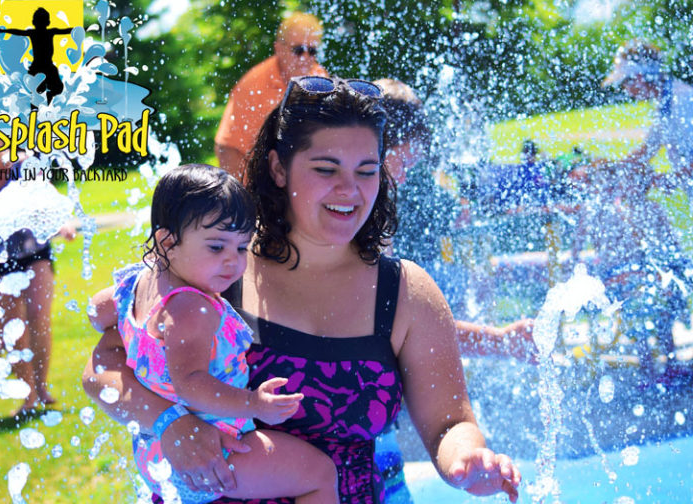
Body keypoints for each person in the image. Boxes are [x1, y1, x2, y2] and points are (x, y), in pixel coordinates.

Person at [84, 76, 521, 503]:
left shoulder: (404, 291)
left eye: (366, 171)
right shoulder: (218, 264)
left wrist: (468, 458)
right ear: (278, 167)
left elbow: (449, 422)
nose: (349, 189)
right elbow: (99, 370)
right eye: (326, 169)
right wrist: (169, 424)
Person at [87, 164, 339, 503]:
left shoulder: (136, 284)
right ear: (167, 241)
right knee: (319, 474)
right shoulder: (192, 309)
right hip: (217, 448)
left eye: (240, 247)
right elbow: (190, 383)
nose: (232, 263)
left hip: (156, 450)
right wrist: (254, 404)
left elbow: (97, 310)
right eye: (216, 247)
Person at [375, 78, 535, 503]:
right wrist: (500, 341)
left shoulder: (368, 217)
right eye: (401, 164)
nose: (403, 177)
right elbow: (403, 325)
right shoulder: (362, 227)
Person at [0, 138, 75, 414]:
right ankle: (29, 395)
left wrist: (63, 222)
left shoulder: (23, 164)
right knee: (13, 328)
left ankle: (42, 385)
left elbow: (46, 194)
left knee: (39, 318)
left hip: (33, 250)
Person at [567, 156, 691, 384]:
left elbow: (660, 247)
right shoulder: (594, 210)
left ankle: (667, 365)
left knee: (657, 297)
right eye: (603, 181)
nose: (609, 186)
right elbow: (577, 249)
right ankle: (651, 368)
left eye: (612, 182)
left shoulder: (631, 209)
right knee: (639, 301)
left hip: (638, 274)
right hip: (614, 276)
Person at [214, 12, 328, 181]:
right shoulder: (253, 85)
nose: (305, 58)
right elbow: (227, 148)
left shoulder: (321, 78)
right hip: (257, 182)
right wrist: (247, 199)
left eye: (312, 51)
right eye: (298, 50)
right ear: (279, 49)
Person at [602, 40, 693, 207]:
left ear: (639, 77)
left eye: (623, 83)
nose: (625, 90)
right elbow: (648, 150)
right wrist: (607, 170)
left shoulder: (683, 101)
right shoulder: (665, 104)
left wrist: (675, 178)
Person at [0, 7, 73, 103]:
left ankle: (42, 96)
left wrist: (3, 31)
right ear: (48, 22)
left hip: (38, 67)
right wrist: (80, 29)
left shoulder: (33, 33)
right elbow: (66, 30)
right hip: (45, 66)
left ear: (34, 22)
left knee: (40, 90)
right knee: (55, 89)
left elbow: (17, 31)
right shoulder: (49, 32)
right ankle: (44, 96)